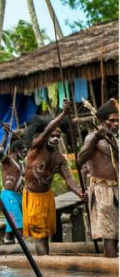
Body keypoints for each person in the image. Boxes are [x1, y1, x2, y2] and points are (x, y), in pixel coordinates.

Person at [23, 100, 86, 255]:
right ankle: (44, 266)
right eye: (52, 135)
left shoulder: (59, 158)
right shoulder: (36, 148)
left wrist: (79, 192)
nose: (56, 138)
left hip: (47, 198)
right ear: (46, 135)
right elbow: (48, 129)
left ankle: (46, 263)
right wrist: (64, 113)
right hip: (33, 197)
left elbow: (68, 179)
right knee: (40, 236)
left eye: (58, 136)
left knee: (46, 236)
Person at [78, 99, 119, 257]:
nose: (116, 124)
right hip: (102, 190)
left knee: (116, 235)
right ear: (102, 122)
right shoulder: (92, 138)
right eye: (112, 120)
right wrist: (96, 137)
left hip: (116, 189)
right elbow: (80, 160)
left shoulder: (114, 138)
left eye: (118, 120)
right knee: (109, 235)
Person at [0, 137, 28, 244]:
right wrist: (5, 135)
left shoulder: (22, 165)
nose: (25, 155)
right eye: (24, 152)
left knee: (13, 219)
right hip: (8, 195)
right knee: (17, 219)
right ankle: (22, 244)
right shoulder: (8, 161)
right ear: (16, 150)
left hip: (18, 195)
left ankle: (8, 240)